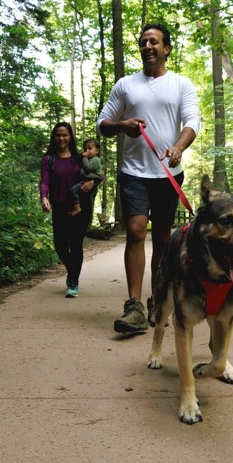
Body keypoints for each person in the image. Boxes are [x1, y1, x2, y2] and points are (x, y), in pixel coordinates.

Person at [96, 23, 201, 334]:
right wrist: (122, 125)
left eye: (153, 42)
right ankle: (134, 306)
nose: (147, 47)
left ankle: (158, 299)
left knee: (164, 240)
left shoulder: (181, 84)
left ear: (166, 48)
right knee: (136, 230)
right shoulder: (126, 85)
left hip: (168, 174)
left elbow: (192, 120)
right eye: (143, 42)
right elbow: (103, 122)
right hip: (134, 172)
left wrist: (179, 147)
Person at [40, 122, 99, 298]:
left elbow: (98, 174)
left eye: (65, 135)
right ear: (54, 137)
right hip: (59, 206)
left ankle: (73, 282)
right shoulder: (49, 159)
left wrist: (92, 182)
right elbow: (44, 181)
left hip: (81, 207)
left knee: (76, 244)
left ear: (70, 137)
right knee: (60, 246)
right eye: (58, 135)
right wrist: (44, 197)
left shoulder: (79, 157)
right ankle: (72, 270)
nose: (61, 138)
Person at [68, 138, 102, 217]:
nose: (87, 151)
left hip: (86, 185)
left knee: (74, 191)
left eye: (90, 149)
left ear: (97, 151)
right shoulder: (83, 158)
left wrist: (85, 158)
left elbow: (90, 170)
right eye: (85, 149)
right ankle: (77, 208)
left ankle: (77, 208)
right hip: (80, 185)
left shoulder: (94, 159)